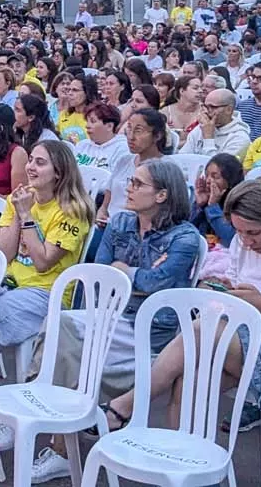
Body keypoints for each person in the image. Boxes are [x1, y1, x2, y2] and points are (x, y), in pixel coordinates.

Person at [106, 180, 261, 437]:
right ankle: (184, 465)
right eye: (239, 231)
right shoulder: (242, 244)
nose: (245, 241)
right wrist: (221, 290)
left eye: (253, 233)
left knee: (202, 329)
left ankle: (126, 406)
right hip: (251, 341)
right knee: (189, 381)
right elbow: (239, 291)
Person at [0, 140, 96, 473]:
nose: (30, 167)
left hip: (45, 292)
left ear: (59, 172)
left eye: (40, 163)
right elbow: (4, 256)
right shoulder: (20, 199)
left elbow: (41, 263)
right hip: (8, 283)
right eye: (32, 161)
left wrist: (26, 215)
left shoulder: (72, 210)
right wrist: (15, 211)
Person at [56, 159, 202, 397]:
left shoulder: (184, 238)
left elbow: (155, 283)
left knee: (63, 332)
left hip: (148, 327)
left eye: (138, 183)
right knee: (59, 328)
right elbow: (101, 273)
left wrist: (125, 271)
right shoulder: (121, 222)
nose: (129, 188)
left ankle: (57, 411)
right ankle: (66, 412)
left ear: (161, 195)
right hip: (112, 314)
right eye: (130, 181)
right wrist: (134, 277)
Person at [180, 88, 251, 160]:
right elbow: (182, 157)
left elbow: (218, 168)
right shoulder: (201, 128)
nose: (207, 111)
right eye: (205, 106)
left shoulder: (240, 138)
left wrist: (208, 138)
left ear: (229, 110)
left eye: (213, 107)